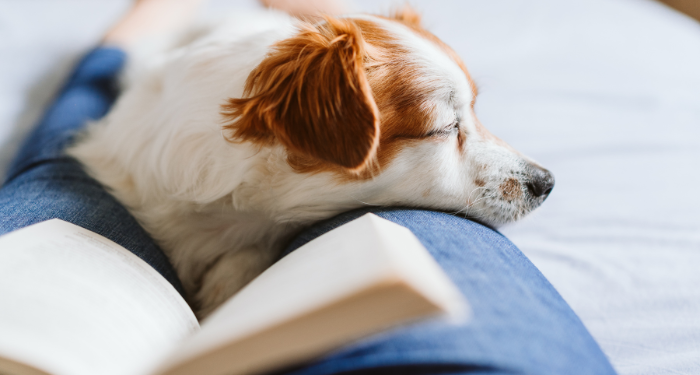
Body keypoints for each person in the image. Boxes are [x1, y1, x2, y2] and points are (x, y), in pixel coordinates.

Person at [0, 1, 618, 374]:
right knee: (86, 106)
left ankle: (113, 51)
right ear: (316, 129)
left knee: (53, 168)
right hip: (168, 98)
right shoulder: (311, 110)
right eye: (444, 128)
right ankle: (116, 49)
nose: (517, 165)